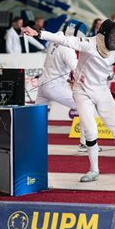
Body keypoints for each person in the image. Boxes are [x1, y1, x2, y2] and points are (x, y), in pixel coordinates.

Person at [22, 19, 115, 183]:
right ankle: (94, 169)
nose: (114, 42)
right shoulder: (88, 43)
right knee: (90, 130)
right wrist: (39, 34)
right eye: (112, 38)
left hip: (102, 91)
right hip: (82, 92)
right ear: (102, 36)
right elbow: (64, 39)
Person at [34, 19, 92, 152]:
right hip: (54, 86)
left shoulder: (55, 39)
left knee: (37, 115)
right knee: (84, 106)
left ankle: (32, 143)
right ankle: (85, 143)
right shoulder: (67, 48)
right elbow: (77, 70)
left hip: (42, 84)